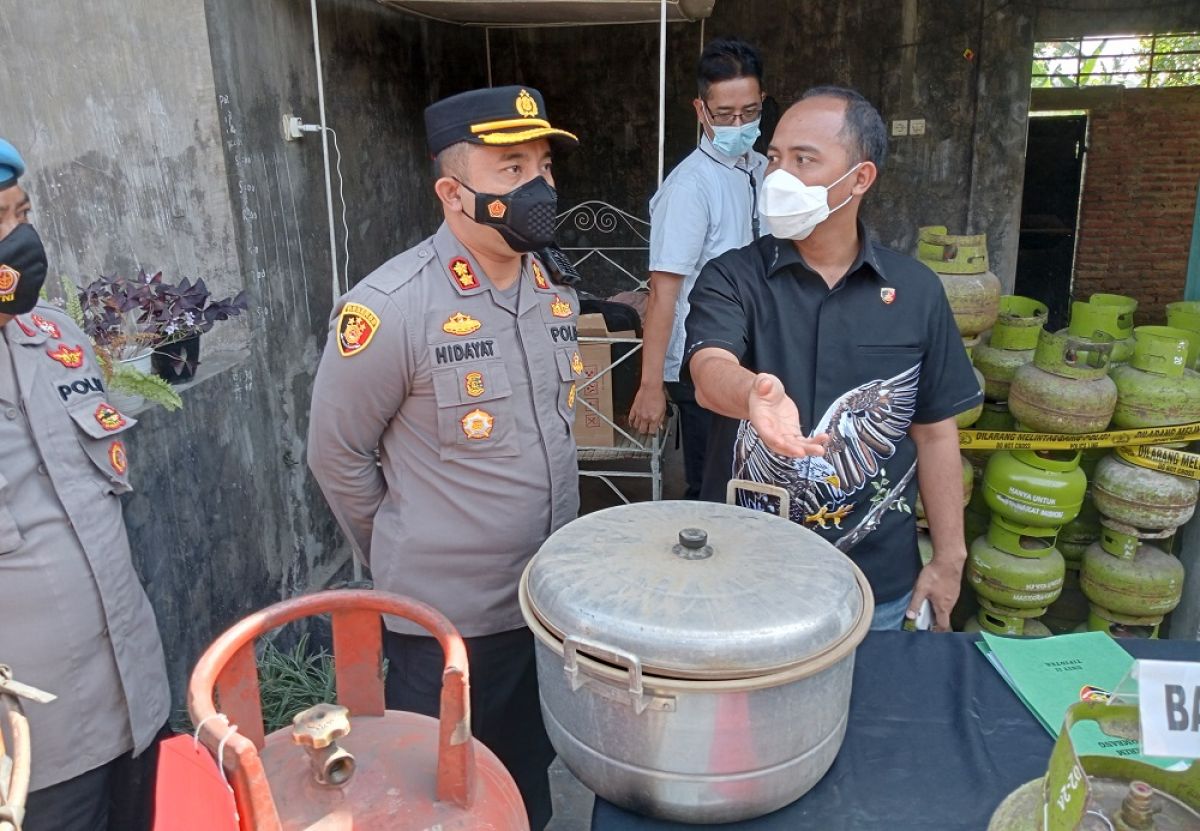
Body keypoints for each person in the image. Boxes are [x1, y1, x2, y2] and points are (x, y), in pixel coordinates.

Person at [307, 86, 581, 829]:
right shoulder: (391, 306)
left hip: (545, 610)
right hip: (446, 629)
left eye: (545, 164)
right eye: (512, 166)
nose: (539, 186)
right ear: (453, 193)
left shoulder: (552, 285)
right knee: (441, 799)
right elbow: (336, 454)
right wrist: (402, 551)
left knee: (526, 779)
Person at [683, 88, 982, 632]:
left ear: (860, 178)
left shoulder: (915, 291)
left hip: (874, 587)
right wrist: (752, 394)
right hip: (741, 575)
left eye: (804, 160)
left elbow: (936, 432)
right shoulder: (731, 277)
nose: (779, 175)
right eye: (774, 158)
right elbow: (709, 370)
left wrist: (948, 558)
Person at [0, 138, 170, 830]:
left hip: (132, 701)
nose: (20, 237)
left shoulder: (60, 338)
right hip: (32, 745)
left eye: (20, 211)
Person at [627, 39, 767, 498]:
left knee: (749, 479)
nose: (739, 124)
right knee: (713, 486)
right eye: (725, 114)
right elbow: (664, 292)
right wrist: (652, 386)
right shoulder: (690, 187)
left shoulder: (764, 170)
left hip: (752, 356)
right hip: (701, 361)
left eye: (749, 112)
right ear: (700, 109)